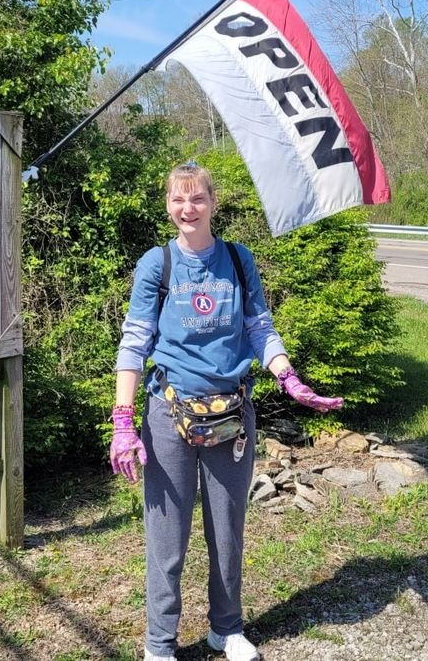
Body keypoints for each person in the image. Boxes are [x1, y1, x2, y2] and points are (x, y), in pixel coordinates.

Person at [110, 162, 343, 661]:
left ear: (214, 204)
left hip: (232, 414)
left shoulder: (239, 260)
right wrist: (123, 422)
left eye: (197, 199)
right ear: (169, 205)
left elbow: (260, 327)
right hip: (168, 416)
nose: (187, 208)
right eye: (178, 199)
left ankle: (226, 629)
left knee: (227, 529)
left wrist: (289, 377)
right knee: (167, 539)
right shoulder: (157, 264)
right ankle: (160, 645)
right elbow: (135, 342)